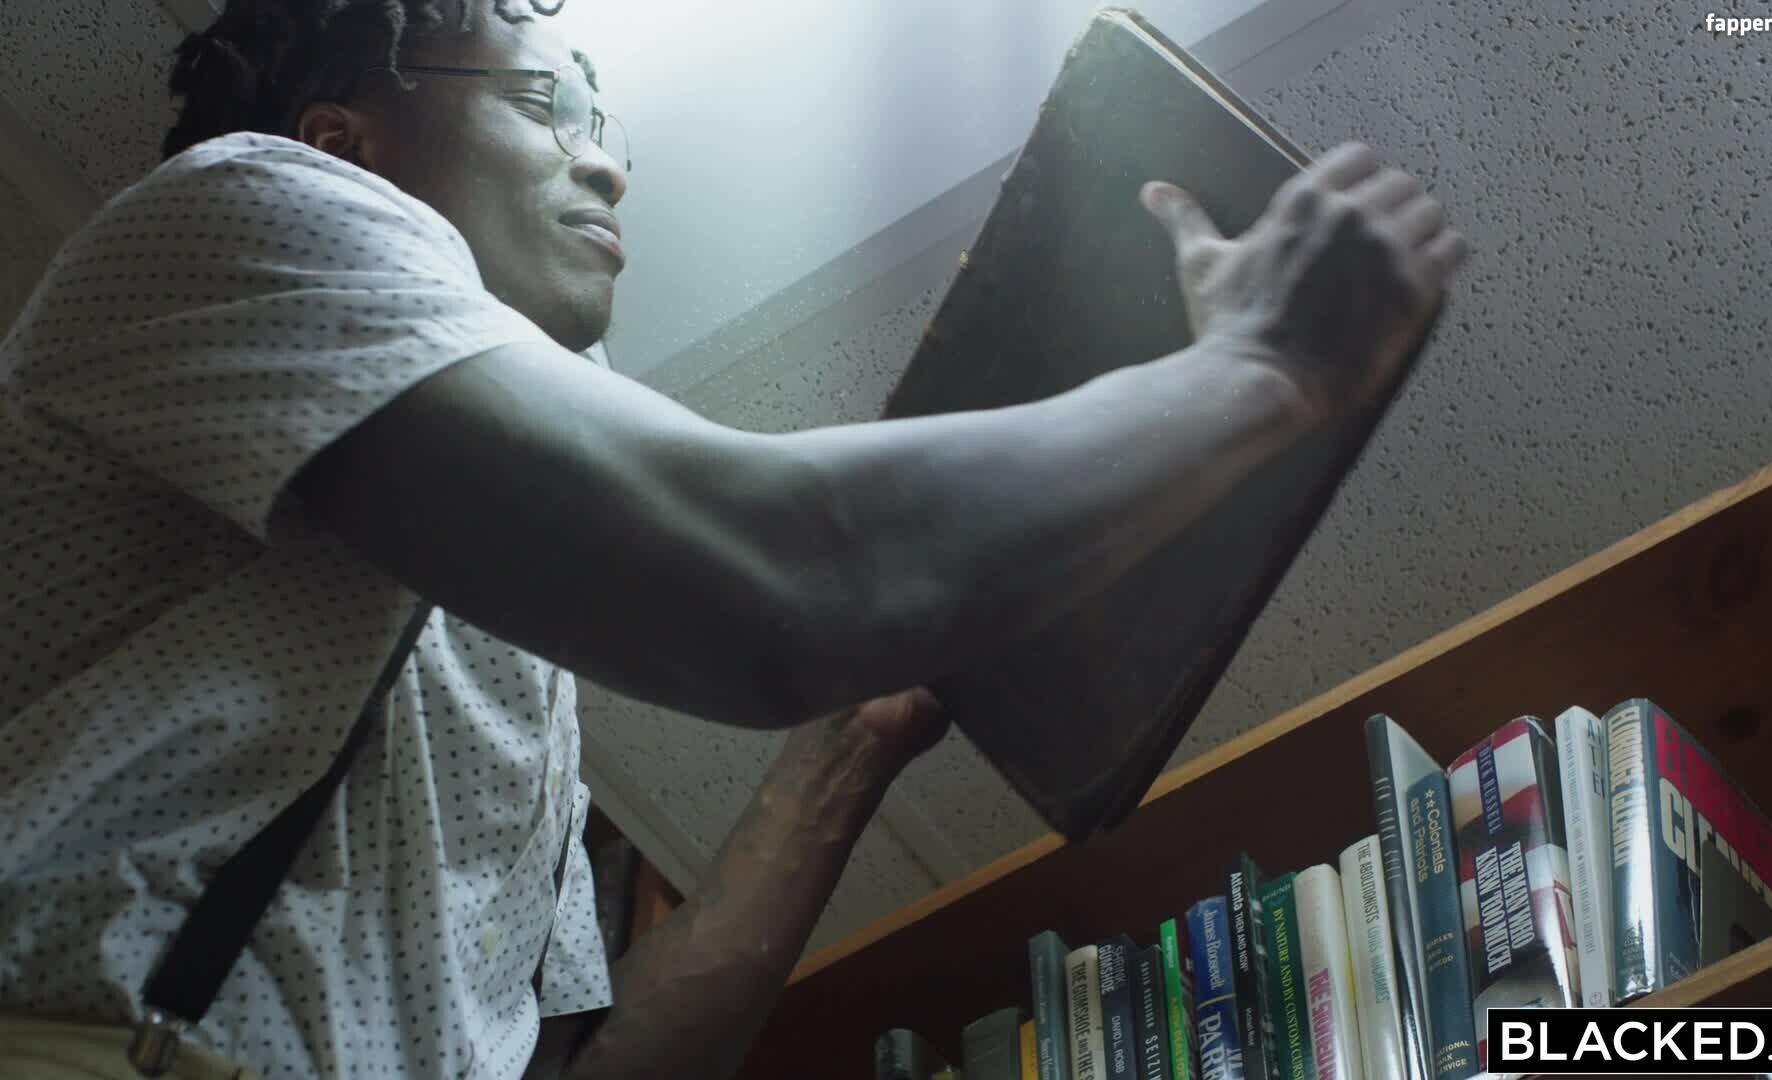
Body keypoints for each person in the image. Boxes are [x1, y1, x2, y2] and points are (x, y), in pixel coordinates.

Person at [0, 0, 1466, 1076]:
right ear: (346, 141)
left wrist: (853, 744)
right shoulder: (243, 209)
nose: (608, 166)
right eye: (547, 104)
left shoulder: (509, 637)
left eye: (606, 124)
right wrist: (1258, 372)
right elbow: (791, 578)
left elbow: (589, 1068)